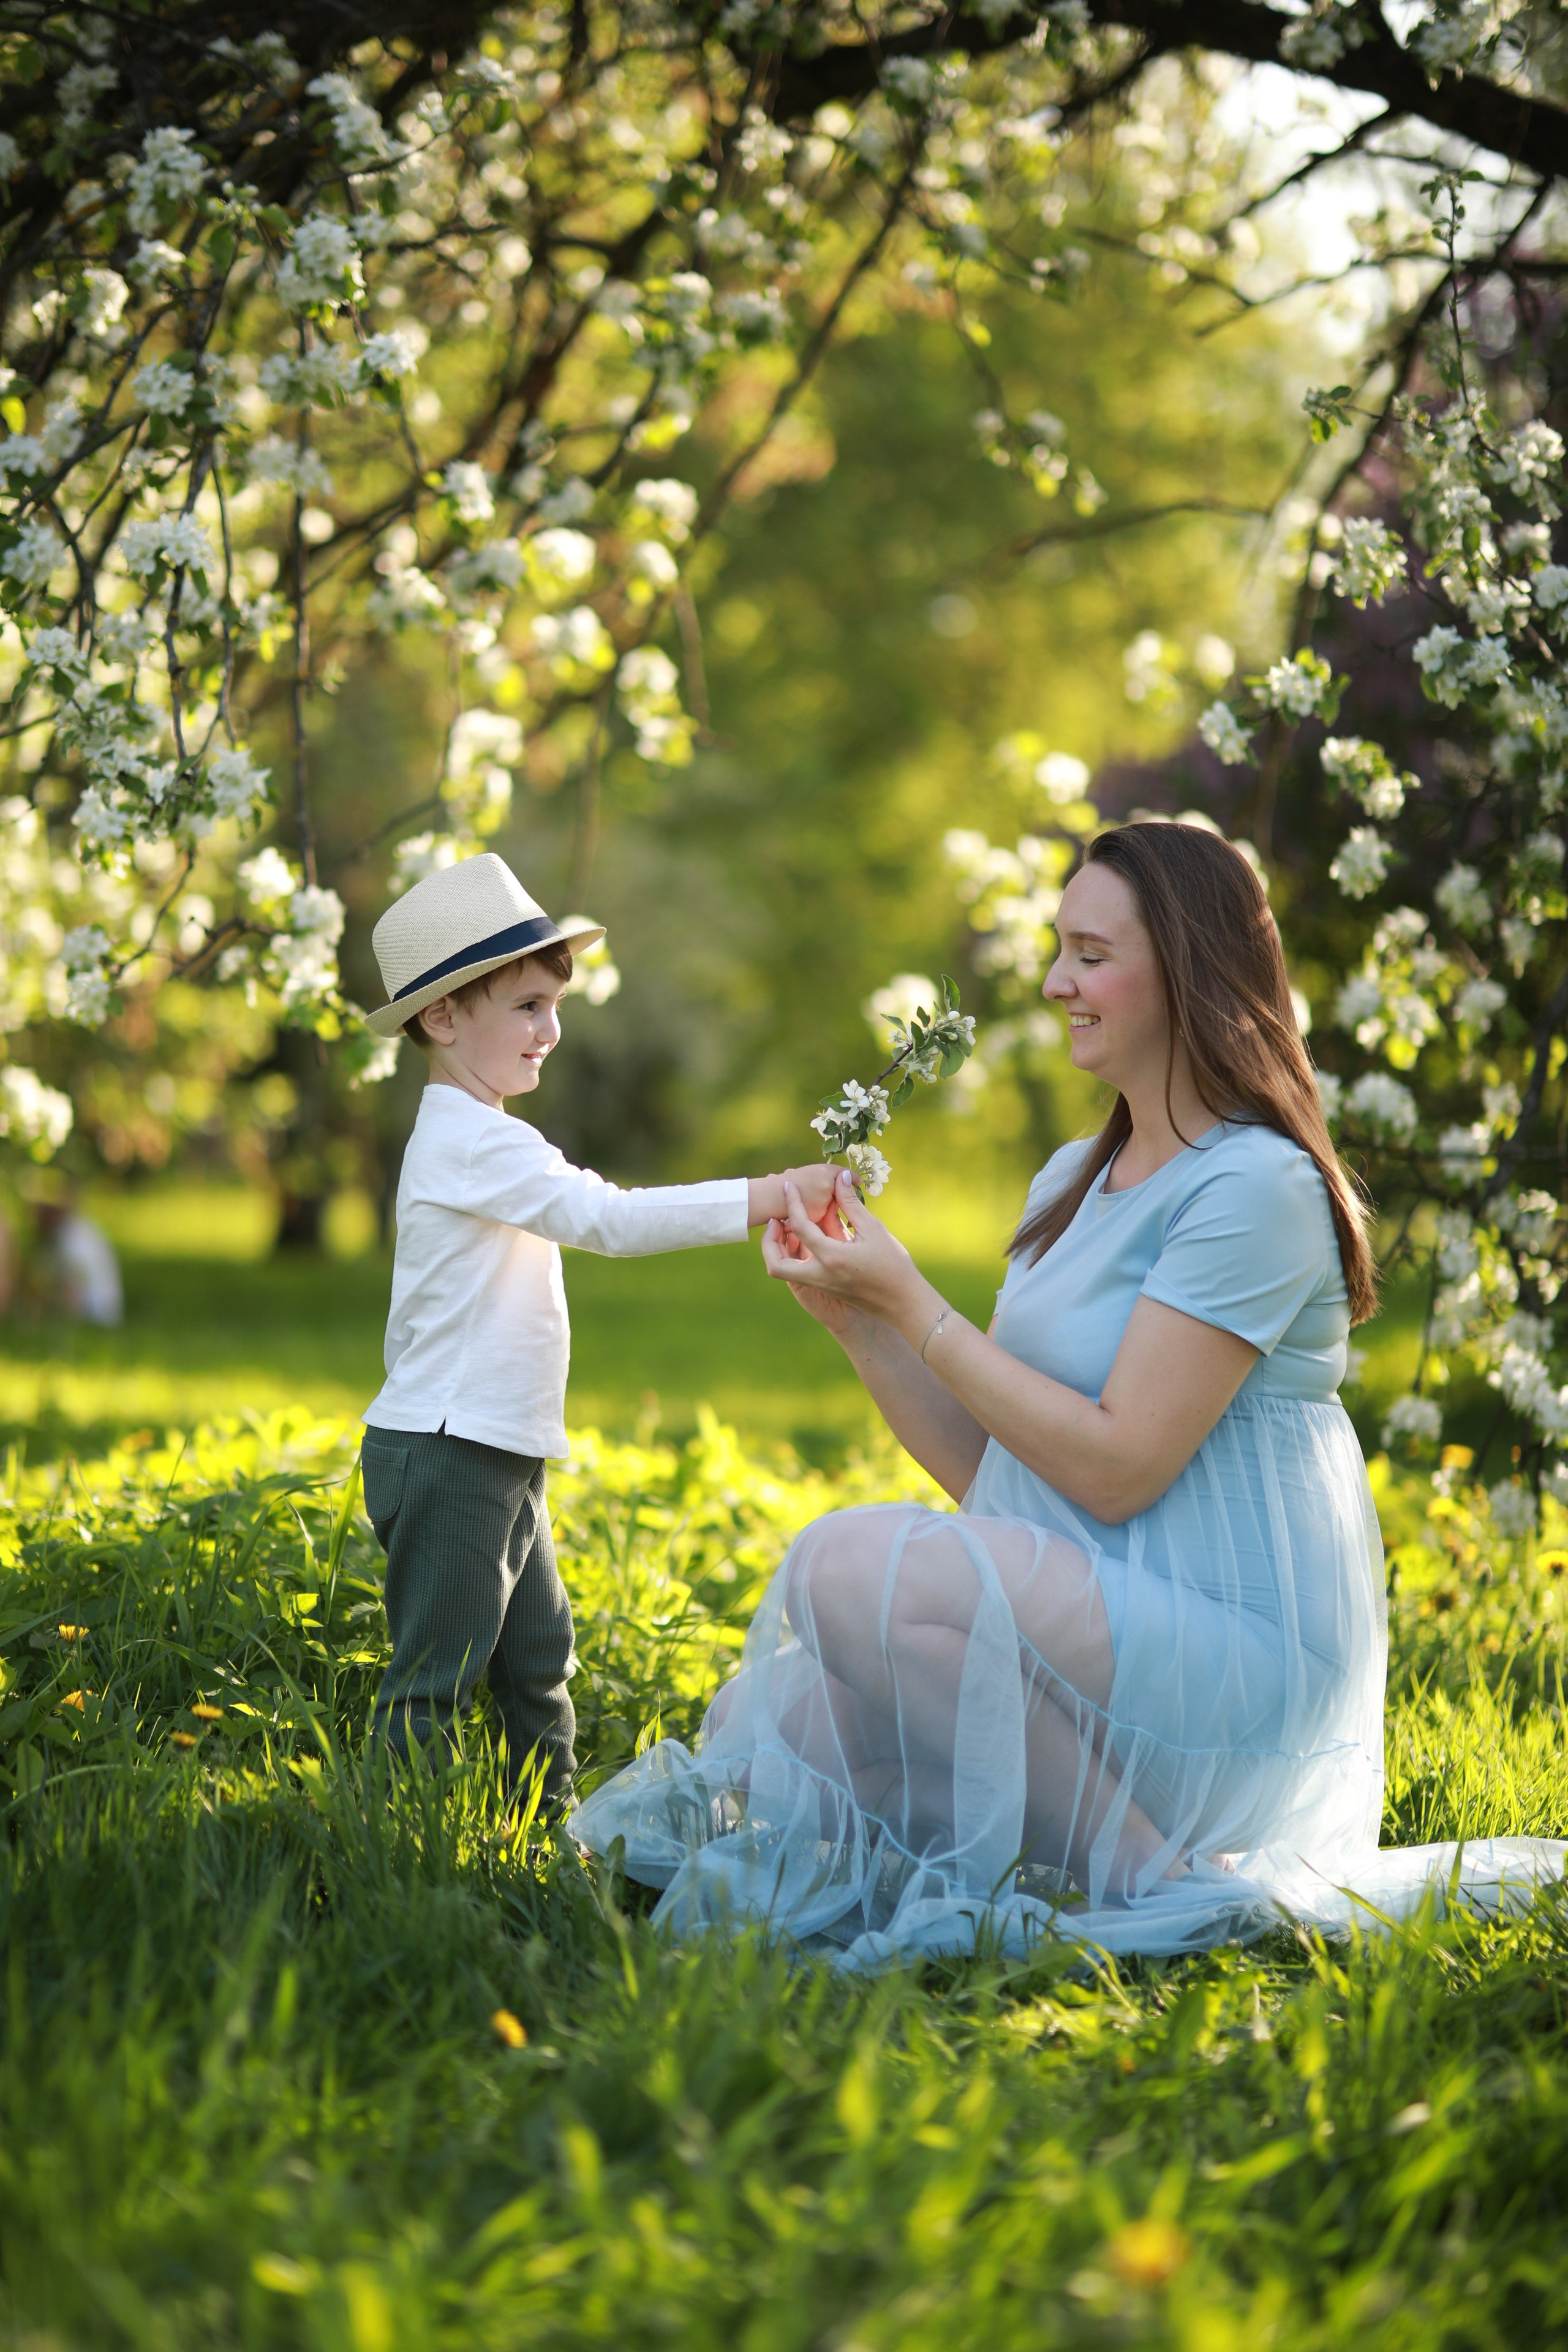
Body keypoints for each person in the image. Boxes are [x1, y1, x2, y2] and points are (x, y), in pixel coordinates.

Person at [575, 822, 1566, 1962]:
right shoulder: (1071, 1179)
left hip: (1229, 1663)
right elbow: (1000, 1474)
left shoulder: (1259, 1184)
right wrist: (858, 1321)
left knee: (846, 1570)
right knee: (808, 1718)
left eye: (1089, 955)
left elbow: (1114, 1466)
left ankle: (1154, 1887)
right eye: (1059, 951)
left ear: (1187, 968)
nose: (1056, 983)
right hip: (1107, 1611)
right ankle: (1117, 1860)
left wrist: (917, 1307)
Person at [358, 851, 837, 1812]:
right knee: (435, 1681)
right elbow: (610, 1221)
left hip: (497, 1446)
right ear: (444, 1017)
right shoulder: (467, 1139)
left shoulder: (485, 1130)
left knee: (538, 1658)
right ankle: (396, 1858)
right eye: (528, 1005)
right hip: (448, 1450)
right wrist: (772, 1194)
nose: (553, 1029)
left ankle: (550, 1836)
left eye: (554, 1004)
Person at [37, 1196, 123, 1327]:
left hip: (95, 1314)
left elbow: (73, 1284)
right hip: (104, 1310)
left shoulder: (72, 1240)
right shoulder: (79, 1228)